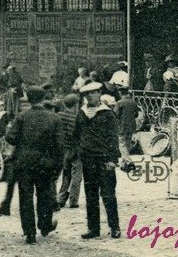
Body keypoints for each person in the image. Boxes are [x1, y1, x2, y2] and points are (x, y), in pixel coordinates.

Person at [5, 86, 62, 245]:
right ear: (44, 99)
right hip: (45, 164)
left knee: (26, 198)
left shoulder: (22, 117)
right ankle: (44, 226)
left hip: (24, 164)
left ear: (28, 100)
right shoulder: (54, 118)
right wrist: (57, 165)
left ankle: (29, 233)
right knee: (44, 195)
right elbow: (59, 145)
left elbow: (10, 137)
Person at [74, 81, 121, 240]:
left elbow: (114, 138)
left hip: (104, 160)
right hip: (88, 160)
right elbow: (77, 134)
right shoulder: (81, 113)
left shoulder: (107, 113)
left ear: (99, 93)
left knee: (108, 195)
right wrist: (79, 150)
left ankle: (114, 227)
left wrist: (113, 159)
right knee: (91, 195)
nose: (90, 96)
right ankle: (93, 228)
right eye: (87, 94)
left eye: (93, 93)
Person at [56, 93, 82, 208]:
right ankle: (73, 200)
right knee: (76, 174)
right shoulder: (78, 117)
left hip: (62, 150)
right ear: (76, 105)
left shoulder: (59, 116)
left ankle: (61, 198)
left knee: (66, 174)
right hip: (75, 149)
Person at [114, 87, 137, 169]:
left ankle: (129, 162)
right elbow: (136, 114)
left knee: (122, 145)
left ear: (120, 93)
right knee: (127, 145)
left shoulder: (119, 102)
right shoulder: (133, 102)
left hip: (122, 127)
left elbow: (115, 115)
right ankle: (124, 164)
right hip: (131, 126)